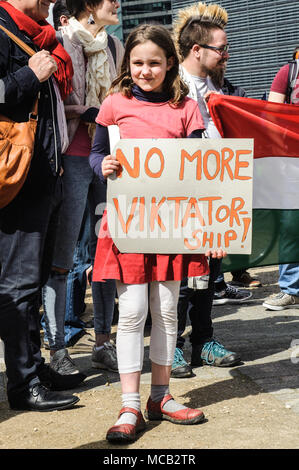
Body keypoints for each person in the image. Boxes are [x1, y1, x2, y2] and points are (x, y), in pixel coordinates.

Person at [89, 23, 226, 443]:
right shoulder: (114, 103)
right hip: (127, 223)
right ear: (127, 64)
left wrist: (214, 223)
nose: (145, 70)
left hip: (172, 226)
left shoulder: (186, 109)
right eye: (138, 63)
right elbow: (96, 154)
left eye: (154, 63)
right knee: (131, 313)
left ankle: (161, 396)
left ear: (170, 63)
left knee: (167, 311)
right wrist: (103, 167)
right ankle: (130, 402)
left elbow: (205, 169)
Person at [0, 0, 81, 411]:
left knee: (32, 284)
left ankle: (32, 369)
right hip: (18, 180)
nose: (51, 0)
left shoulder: (39, 36)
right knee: (18, 285)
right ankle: (22, 384)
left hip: (46, 176)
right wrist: (29, 75)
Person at [169, 2, 252, 378]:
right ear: (196, 50)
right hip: (181, 192)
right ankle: (171, 346)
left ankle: (204, 341)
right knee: (180, 273)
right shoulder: (172, 88)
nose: (226, 54)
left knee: (208, 270)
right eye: (221, 48)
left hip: (219, 191)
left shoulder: (225, 87)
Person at [41, 0, 124, 375]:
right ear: (90, 4)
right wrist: (85, 112)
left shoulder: (115, 47)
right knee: (62, 257)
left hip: (109, 161)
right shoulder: (61, 42)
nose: (117, 3)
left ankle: (103, 343)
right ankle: (58, 349)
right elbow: (53, 102)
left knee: (106, 253)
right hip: (72, 158)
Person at [263, 46, 299, 311]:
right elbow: (271, 117)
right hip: (292, 162)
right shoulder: (288, 73)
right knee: (290, 224)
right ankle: (291, 289)